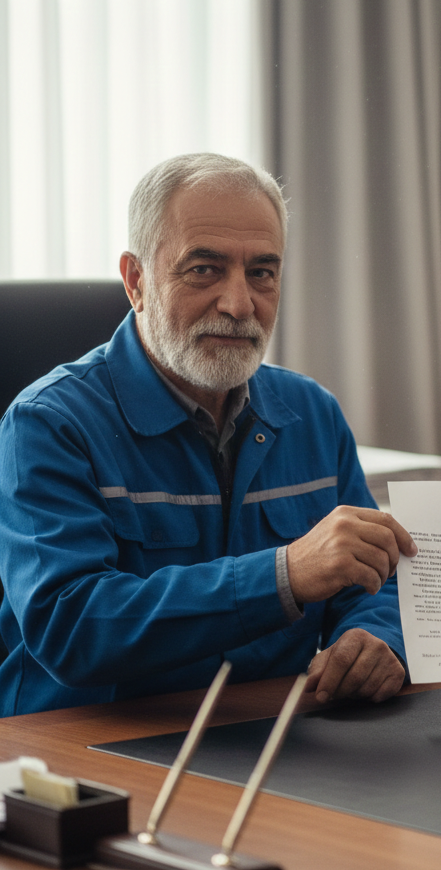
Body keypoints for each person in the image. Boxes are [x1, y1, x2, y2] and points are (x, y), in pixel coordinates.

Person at [0, 153, 418, 715]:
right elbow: (69, 625)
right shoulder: (49, 424)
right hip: (89, 750)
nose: (240, 304)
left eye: (262, 272)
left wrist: (376, 637)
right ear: (136, 281)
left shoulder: (312, 412)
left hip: (277, 739)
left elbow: (378, 574)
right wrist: (285, 576)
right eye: (205, 269)